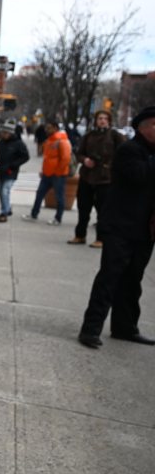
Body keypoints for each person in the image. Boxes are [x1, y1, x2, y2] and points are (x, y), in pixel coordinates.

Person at [77, 107, 155, 349]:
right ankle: (90, 329)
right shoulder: (130, 150)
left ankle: (125, 327)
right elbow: (140, 176)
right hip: (121, 226)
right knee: (110, 277)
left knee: (133, 280)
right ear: (143, 127)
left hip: (145, 229)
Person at [69, 110, 127, 247]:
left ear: (109, 121)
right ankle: (80, 235)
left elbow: (124, 153)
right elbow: (79, 153)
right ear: (96, 120)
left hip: (105, 178)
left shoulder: (115, 135)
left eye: (105, 118)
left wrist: (112, 166)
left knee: (103, 210)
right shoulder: (89, 135)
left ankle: (101, 238)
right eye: (100, 118)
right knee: (83, 208)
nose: (102, 121)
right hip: (87, 175)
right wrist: (85, 160)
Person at [23, 121, 72, 225]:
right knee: (40, 194)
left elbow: (65, 158)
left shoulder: (62, 140)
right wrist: (44, 171)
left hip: (58, 174)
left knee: (59, 196)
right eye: (46, 128)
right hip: (48, 173)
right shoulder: (49, 140)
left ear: (55, 128)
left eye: (49, 128)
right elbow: (47, 158)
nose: (46, 130)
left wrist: (58, 172)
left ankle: (58, 218)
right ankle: (34, 214)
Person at [0, 125, 30, 222]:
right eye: (3, 132)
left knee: (5, 191)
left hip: (11, 171)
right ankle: (7, 208)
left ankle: (4, 212)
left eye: (6, 133)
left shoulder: (18, 143)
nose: (3, 134)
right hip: (1, 171)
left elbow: (25, 157)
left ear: (10, 133)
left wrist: (14, 165)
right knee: (0, 191)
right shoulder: (1, 142)